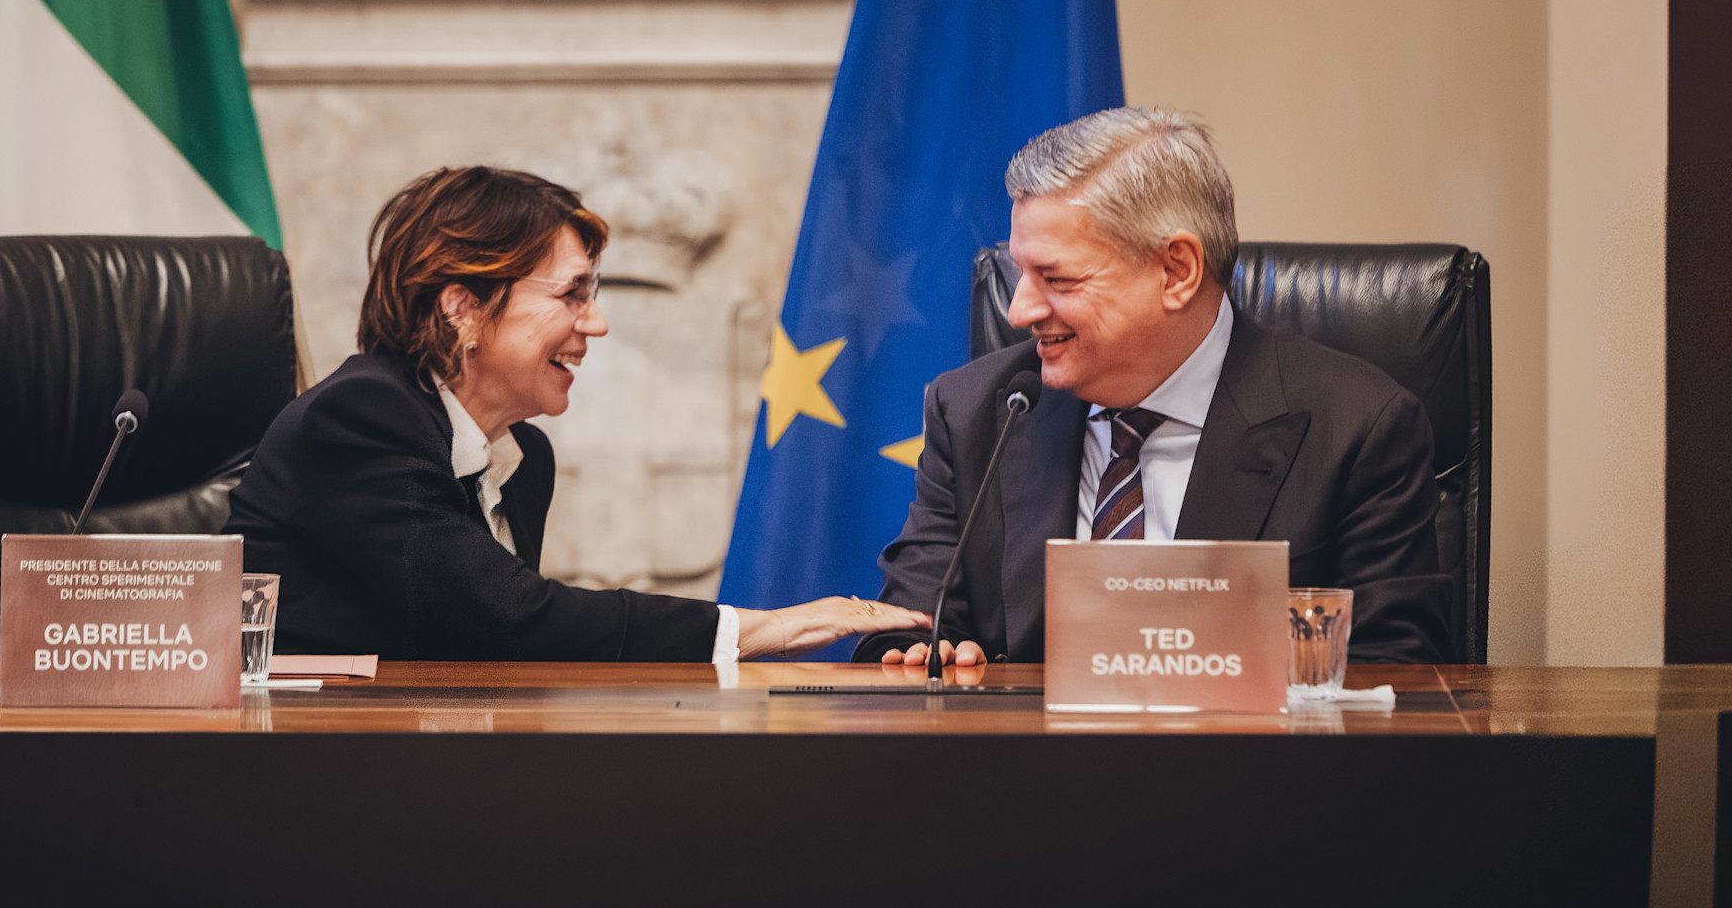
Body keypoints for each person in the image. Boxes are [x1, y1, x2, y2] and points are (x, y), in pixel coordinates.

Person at [227, 166, 928, 661]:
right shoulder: (358, 417)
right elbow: (507, 620)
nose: (596, 324)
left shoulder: (524, 461)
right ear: (463, 306)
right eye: (573, 294)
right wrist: (759, 629)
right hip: (296, 776)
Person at [856, 107, 1453, 668]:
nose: (1019, 310)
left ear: (1176, 271)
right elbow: (908, 620)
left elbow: (1396, 675)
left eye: (1056, 278)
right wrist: (916, 656)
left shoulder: (1357, 427)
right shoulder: (975, 413)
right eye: (1020, 273)